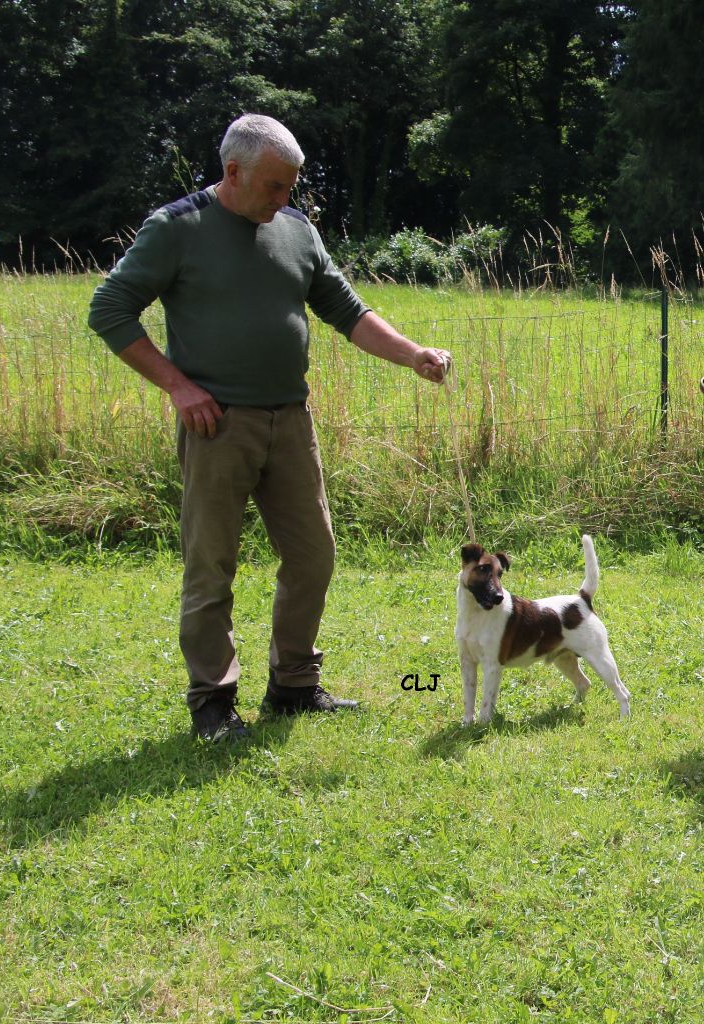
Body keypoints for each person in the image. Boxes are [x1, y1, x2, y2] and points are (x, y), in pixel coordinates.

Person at [88, 114, 451, 743]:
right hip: (217, 427)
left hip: (291, 420)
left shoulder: (296, 230)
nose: (285, 199)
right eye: (275, 187)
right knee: (212, 566)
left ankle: (293, 686)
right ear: (234, 172)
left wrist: (412, 353)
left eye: (291, 187)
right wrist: (179, 386)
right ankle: (213, 702)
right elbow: (109, 308)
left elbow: (347, 310)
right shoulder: (177, 228)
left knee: (314, 555)